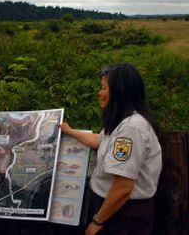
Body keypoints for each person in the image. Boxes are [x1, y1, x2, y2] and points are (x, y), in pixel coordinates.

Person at [59, 63, 162, 235]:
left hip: (123, 215)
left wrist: (98, 222)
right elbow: (98, 140)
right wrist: (70, 131)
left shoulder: (131, 129)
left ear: (119, 93)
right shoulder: (121, 122)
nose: (99, 93)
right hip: (114, 209)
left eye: (103, 88)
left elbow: (123, 187)